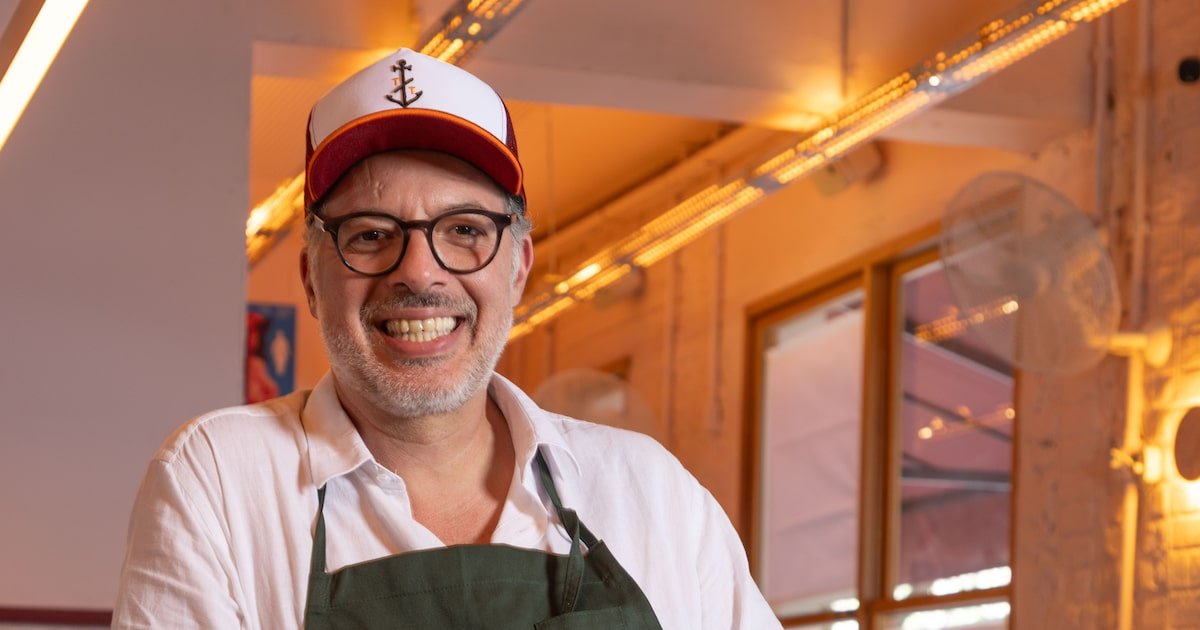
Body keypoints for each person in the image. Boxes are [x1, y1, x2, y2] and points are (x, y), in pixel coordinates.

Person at [114, 48, 782, 629]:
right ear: (311, 281)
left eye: (464, 229)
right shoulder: (221, 481)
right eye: (371, 234)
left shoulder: (650, 493)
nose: (419, 272)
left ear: (517, 267)